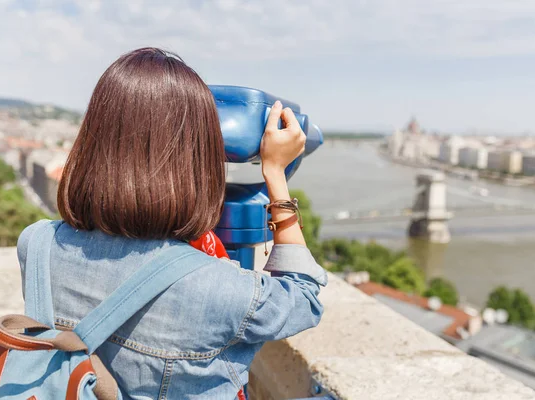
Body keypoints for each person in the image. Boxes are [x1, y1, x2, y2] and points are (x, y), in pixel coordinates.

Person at [17, 47, 327, 399]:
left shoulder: (37, 244)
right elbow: (304, 298)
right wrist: (275, 173)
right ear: (198, 154)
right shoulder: (221, 291)